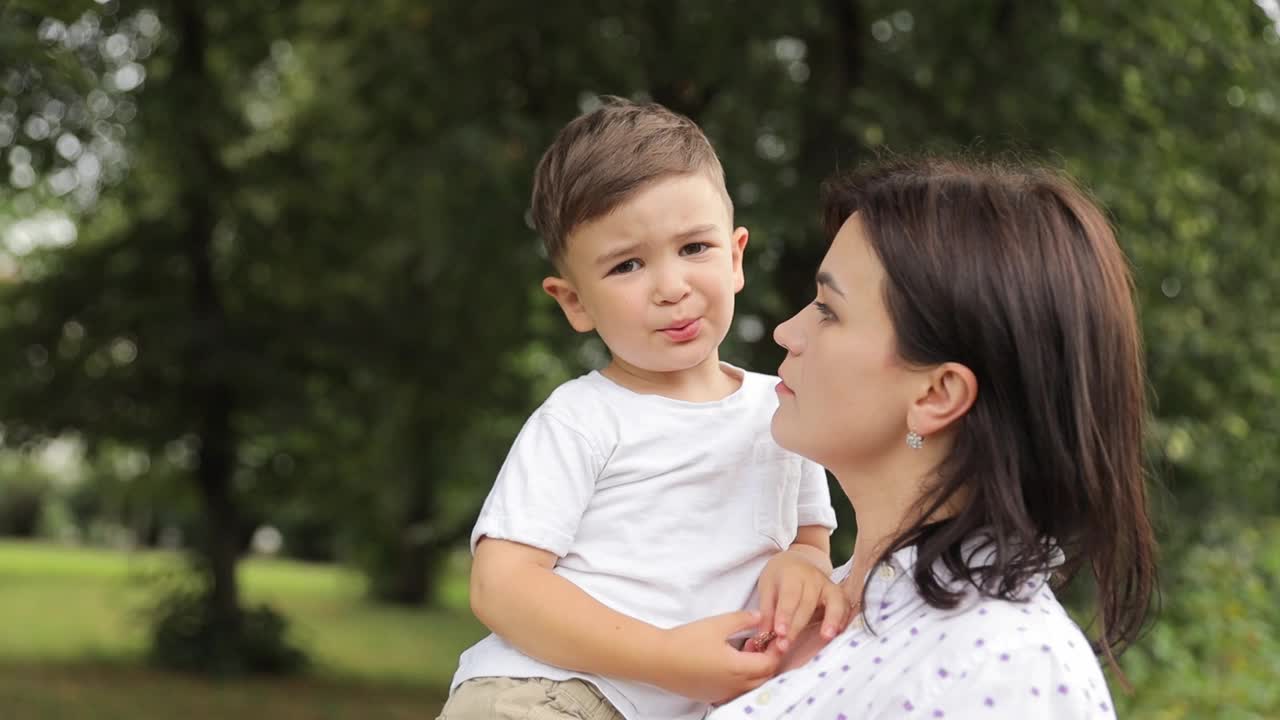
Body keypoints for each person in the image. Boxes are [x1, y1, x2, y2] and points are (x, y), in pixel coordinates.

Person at [438, 98, 842, 720]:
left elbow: (811, 541)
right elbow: (502, 584)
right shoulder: (583, 418)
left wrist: (802, 567)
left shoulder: (782, 405)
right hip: (551, 691)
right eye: (627, 264)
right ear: (574, 302)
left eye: (694, 248)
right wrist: (666, 656)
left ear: (736, 257)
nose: (670, 287)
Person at [712, 156, 1157, 718]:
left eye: (828, 310)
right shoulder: (821, 595)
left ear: (937, 396)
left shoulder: (1013, 666)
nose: (787, 331)